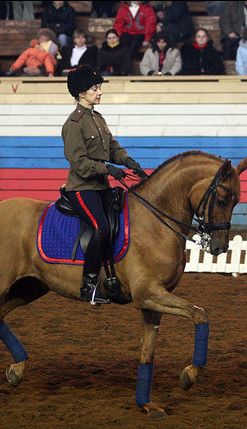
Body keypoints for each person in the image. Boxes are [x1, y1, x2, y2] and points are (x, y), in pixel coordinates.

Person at [62, 65, 148, 304]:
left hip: (101, 187)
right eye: (94, 88)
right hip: (81, 188)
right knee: (101, 227)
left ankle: (113, 277)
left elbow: (112, 149)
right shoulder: (74, 123)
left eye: (99, 87)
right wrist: (109, 169)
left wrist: (129, 162)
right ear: (81, 93)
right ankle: (88, 285)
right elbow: (79, 163)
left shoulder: (97, 119)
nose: (99, 92)